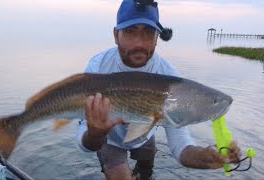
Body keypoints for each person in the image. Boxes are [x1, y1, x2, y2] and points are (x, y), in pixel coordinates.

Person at [76, 0, 241, 179]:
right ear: (116, 35)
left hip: (145, 136)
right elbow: (83, 139)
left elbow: (181, 145)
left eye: (148, 33)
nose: (139, 42)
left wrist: (205, 157)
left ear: (157, 37)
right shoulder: (98, 67)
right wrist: (94, 136)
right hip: (110, 140)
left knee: (146, 174)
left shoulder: (170, 76)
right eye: (130, 32)